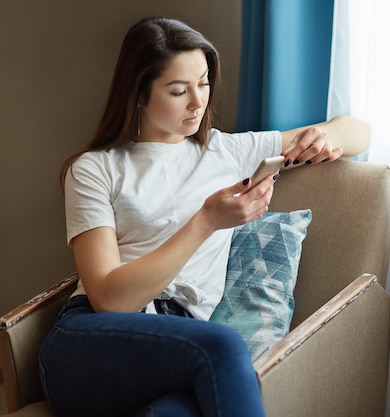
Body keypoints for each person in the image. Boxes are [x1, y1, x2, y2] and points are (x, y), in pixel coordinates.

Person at [38, 16, 370, 417]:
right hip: (91, 340)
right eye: (178, 90)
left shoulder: (225, 153)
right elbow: (110, 299)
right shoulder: (94, 169)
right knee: (223, 344)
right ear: (138, 94)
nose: (198, 102)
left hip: (179, 347)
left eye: (204, 82)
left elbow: (358, 131)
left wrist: (326, 137)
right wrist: (205, 222)